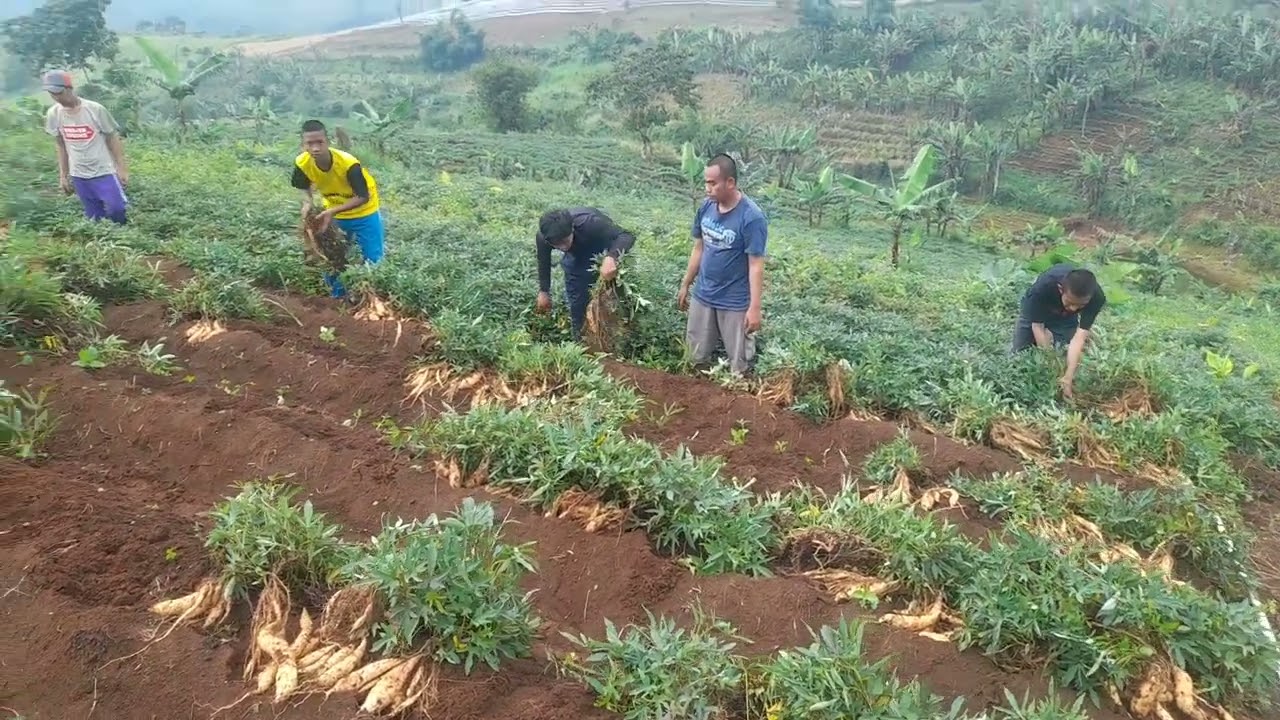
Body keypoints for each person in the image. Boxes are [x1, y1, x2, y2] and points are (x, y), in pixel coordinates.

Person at [677, 154, 768, 376]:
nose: (707, 188)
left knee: (740, 366)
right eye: (706, 182)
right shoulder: (706, 208)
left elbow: (756, 264)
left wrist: (754, 308)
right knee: (695, 358)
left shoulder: (751, 217)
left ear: (730, 183)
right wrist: (686, 283)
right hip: (704, 295)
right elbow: (699, 248)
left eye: (712, 183)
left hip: (735, 301)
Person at [290, 119, 385, 299]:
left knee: (373, 258)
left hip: (365, 213)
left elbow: (362, 197)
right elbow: (302, 186)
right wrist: (308, 203)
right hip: (334, 214)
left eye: (320, 142)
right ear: (303, 144)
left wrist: (332, 212)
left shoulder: (348, 164)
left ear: (328, 141)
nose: (315, 148)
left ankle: (372, 298)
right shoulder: (302, 163)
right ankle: (338, 299)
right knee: (333, 258)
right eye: (310, 143)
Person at [534, 207, 636, 342]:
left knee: (615, 301)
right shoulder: (545, 237)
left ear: (572, 229)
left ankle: (622, 339)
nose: (562, 247)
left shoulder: (592, 224)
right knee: (578, 303)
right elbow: (544, 261)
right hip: (576, 258)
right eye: (557, 245)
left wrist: (612, 257)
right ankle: (581, 342)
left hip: (602, 251)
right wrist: (544, 291)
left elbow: (627, 236)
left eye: (564, 241)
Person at [42, 70, 129, 225]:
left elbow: (112, 138)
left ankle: (124, 238)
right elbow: (60, 145)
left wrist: (121, 168)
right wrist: (63, 175)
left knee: (117, 209)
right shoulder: (54, 114)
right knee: (94, 217)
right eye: (52, 93)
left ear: (69, 89)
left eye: (59, 92)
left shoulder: (95, 110)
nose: (56, 97)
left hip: (104, 171)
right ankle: (104, 245)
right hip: (79, 175)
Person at [1011, 263, 1106, 399]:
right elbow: (1037, 326)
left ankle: (1052, 336)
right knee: (1019, 355)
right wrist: (1049, 362)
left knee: (1062, 349)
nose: (1074, 308)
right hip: (1037, 312)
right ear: (1060, 289)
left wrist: (1068, 377)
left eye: (1080, 305)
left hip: (1065, 319)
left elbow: (1079, 338)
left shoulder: (1097, 298)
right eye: (1070, 302)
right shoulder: (1044, 286)